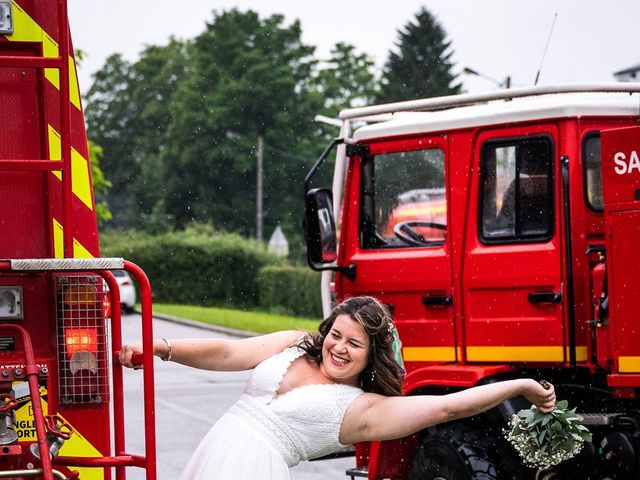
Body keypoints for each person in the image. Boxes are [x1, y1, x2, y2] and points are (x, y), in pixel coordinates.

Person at [119, 296, 556, 479]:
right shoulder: (296, 344)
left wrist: (520, 385)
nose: (339, 349)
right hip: (214, 454)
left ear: (371, 356)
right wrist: (161, 347)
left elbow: (447, 409)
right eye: (336, 335)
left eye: (354, 344)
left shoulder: (364, 408)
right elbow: (229, 353)